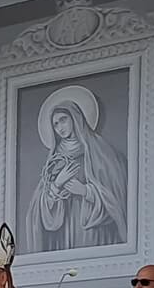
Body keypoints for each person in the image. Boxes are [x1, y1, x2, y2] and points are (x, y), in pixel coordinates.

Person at [24, 91, 128, 252]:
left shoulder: (99, 151)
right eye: (55, 124)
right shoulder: (55, 159)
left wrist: (86, 191)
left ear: (75, 117)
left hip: (93, 229)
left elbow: (117, 195)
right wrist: (57, 185)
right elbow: (38, 207)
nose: (59, 128)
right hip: (64, 233)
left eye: (63, 120)